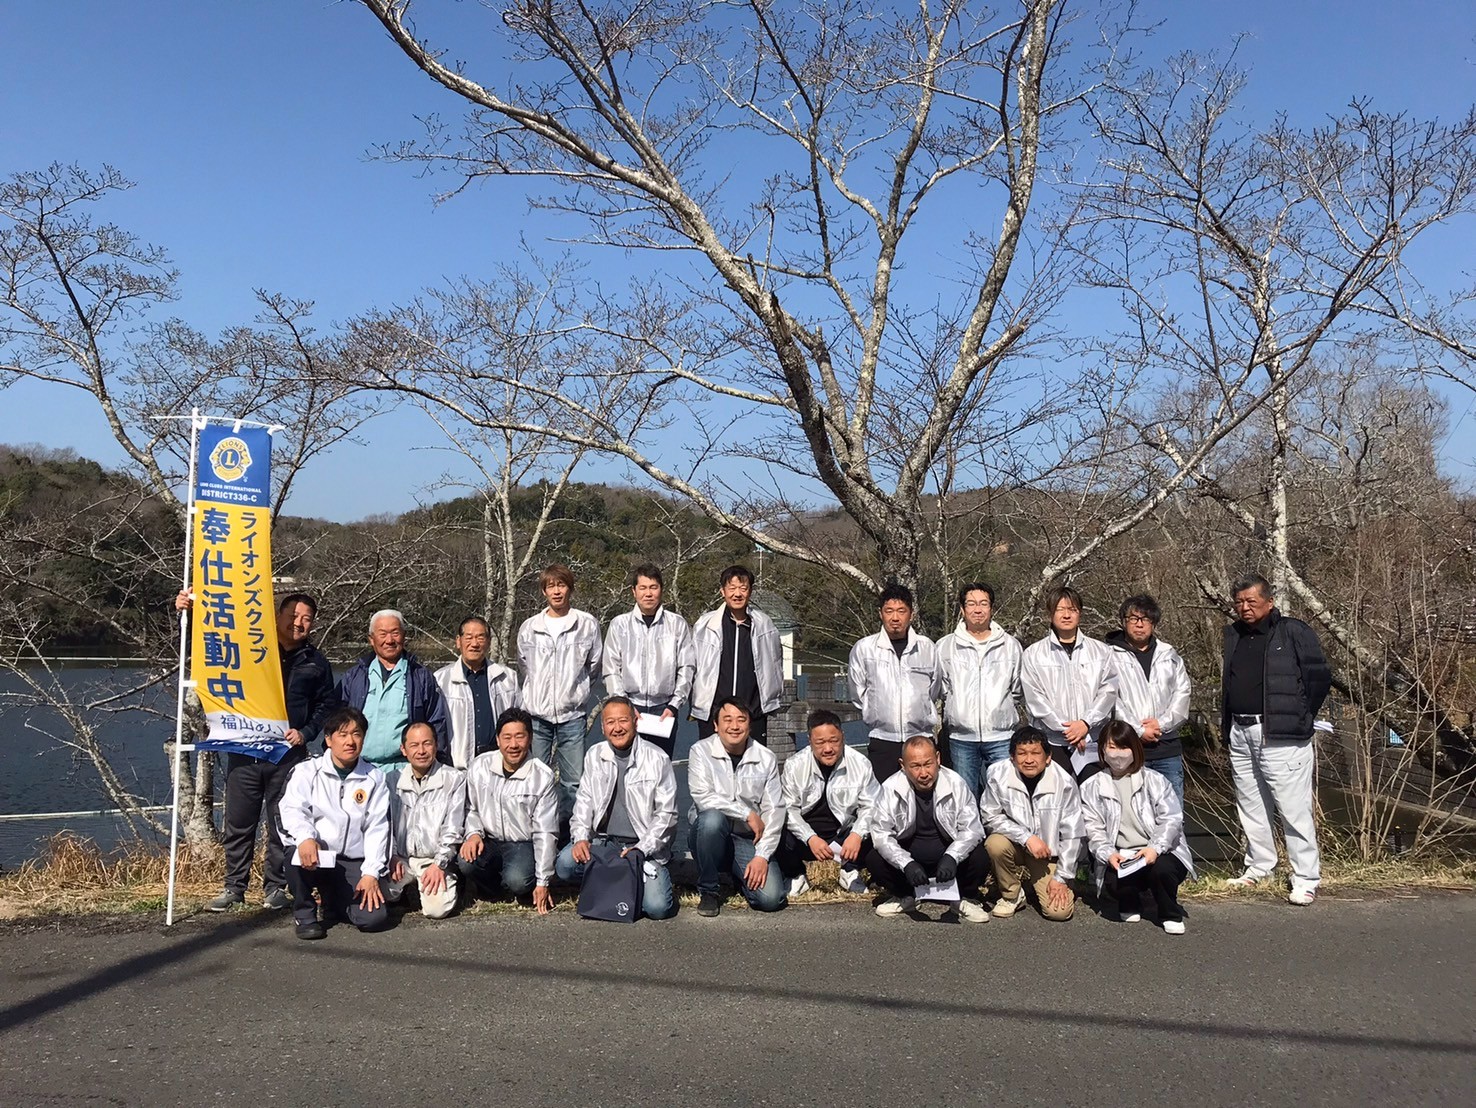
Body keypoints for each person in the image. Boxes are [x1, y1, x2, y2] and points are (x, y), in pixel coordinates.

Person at [176, 588, 338, 912]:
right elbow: (212, 648)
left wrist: (306, 733)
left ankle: (275, 887)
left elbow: (326, 705)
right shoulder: (250, 649)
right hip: (246, 749)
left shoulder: (316, 662)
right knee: (239, 822)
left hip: (288, 754)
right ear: (278, 616)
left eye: (307, 619)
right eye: (293, 615)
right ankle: (233, 887)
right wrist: (190, 613)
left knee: (282, 823)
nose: (298, 623)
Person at [1222, 572, 1331, 905]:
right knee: (1251, 805)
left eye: (1251, 601)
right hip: (1240, 732)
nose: (1245, 607)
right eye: (1239, 602)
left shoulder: (1292, 631)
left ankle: (1306, 877)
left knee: (1293, 809)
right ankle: (1259, 867)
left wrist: (1301, 715)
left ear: (1269, 602)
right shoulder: (1233, 634)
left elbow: (1318, 678)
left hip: (1282, 735)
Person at [556, 697, 680, 920]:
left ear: (635, 722)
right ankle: (619, 879)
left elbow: (667, 815)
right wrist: (581, 837)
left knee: (658, 908)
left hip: (642, 848)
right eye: (610, 722)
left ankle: (621, 880)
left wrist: (642, 849)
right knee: (564, 866)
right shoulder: (595, 754)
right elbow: (584, 801)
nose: (617, 728)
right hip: (605, 843)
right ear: (603, 727)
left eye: (623, 720)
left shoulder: (657, 758)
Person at [277, 706, 392, 939]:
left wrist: (371, 873)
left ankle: (333, 901)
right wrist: (305, 838)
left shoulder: (374, 778)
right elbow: (290, 811)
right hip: (317, 855)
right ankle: (305, 914)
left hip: (351, 860)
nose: (350, 741)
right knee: (294, 854)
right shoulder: (307, 771)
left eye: (357, 734)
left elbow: (379, 828)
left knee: (373, 919)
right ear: (329, 740)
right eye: (343, 734)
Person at [1080, 721, 1194, 934]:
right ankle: (1130, 902)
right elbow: (1093, 829)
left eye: (1124, 747)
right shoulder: (1091, 786)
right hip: (1122, 853)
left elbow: (1171, 819)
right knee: (1114, 879)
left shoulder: (1155, 780)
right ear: (1102, 750)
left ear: (1135, 748)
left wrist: (1154, 849)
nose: (1118, 754)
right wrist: (1108, 854)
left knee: (1162, 870)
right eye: (1112, 747)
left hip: (1159, 850)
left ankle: (1169, 913)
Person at [866, 735, 990, 921]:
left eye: (928, 764)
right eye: (915, 766)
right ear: (902, 765)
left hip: (947, 856)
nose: (923, 773)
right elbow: (881, 835)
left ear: (938, 759)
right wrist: (906, 863)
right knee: (874, 857)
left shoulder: (956, 783)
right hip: (911, 858)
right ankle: (905, 896)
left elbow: (972, 830)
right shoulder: (890, 788)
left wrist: (952, 856)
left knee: (981, 855)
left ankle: (964, 898)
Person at [517, 563, 603, 826]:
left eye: (561, 585)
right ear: (544, 591)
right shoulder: (530, 627)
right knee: (534, 779)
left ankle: (569, 836)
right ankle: (536, 832)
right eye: (551, 586)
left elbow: (594, 666)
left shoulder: (586, 624)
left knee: (573, 782)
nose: (556, 591)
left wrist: (576, 693)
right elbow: (524, 667)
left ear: (570, 589)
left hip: (572, 716)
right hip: (537, 716)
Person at [687, 697, 788, 916]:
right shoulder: (700, 751)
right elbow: (702, 797)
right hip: (709, 834)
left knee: (771, 898)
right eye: (727, 719)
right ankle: (709, 890)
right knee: (712, 819)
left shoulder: (766, 757)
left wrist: (762, 856)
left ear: (749, 725)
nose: (734, 726)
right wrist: (746, 813)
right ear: (716, 725)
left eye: (741, 720)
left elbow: (775, 810)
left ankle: (736, 876)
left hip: (746, 838)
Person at [459, 707, 559, 913]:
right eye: (507, 737)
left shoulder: (542, 776)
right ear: (498, 740)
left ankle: (518, 886)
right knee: (466, 861)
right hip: (489, 840)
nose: (513, 745)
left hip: (522, 843)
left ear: (530, 739)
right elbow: (470, 807)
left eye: (520, 737)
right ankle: (492, 890)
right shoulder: (479, 766)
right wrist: (473, 834)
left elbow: (546, 832)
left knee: (518, 880)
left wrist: (543, 881)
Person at [980, 725, 1084, 922]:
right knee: (994, 843)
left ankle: (1059, 883)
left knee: (1058, 912)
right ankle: (1012, 895)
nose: (1029, 760)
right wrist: (1027, 837)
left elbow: (1073, 834)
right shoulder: (997, 774)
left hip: (1047, 854)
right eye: (1022, 753)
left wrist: (1061, 878)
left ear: (1048, 757)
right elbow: (990, 816)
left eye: (1036, 753)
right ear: (1012, 756)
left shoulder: (1064, 782)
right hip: (1015, 845)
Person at [775, 709, 881, 897]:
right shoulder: (794, 765)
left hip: (843, 835)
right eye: (820, 742)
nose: (828, 748)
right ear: (810, 740)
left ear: (843, 736)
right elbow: (788, 809)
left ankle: (850, 869)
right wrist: (810, 837)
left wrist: (857, 834)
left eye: (833, 740)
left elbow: (872, 805)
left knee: (879, 825)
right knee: (777, 826)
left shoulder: (861, 763)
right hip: (807, 838)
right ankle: (796, 874)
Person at [936, 581, 1024, 799]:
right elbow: (943, 688)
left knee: (1006, 795)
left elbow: (1017, 689)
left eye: (983, 604)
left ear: (991, 608)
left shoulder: (1010, 645)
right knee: (965, 797)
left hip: (1001, 736)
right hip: (962, 738)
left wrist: (1001, 711)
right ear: (962, 609)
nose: (978, 609)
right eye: (972, 604)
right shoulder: (945, 646)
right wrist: (958, 710)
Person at [1020, 585, 1117, 781]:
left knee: (1094, 794)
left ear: (1079, 613)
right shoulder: (1033, 654)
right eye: (1060, 609)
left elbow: (1108, 690)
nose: (1066, 615)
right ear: (1050, 614)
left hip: (1092, 740)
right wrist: (1068, 731)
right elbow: (1035, 698)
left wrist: (1085, 724)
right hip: (1052, 741)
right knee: (1055, 794)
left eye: (1072, 609)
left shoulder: (1101, 651)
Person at [848, 583, 941, 782]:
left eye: (901, 611)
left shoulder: (927, 648)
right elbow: (857, 693)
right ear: (880, 613)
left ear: (911, 614)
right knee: (883, 794)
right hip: (882, 738)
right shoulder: (864, 648)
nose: (895, 617)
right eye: (889, 611)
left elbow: (934, 689)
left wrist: (920, 709)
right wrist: (874, 712)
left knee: (923, 791)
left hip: (920, 737)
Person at [601, 564, 696, 758]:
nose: (648, 593)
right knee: (626, 766)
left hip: (664, 710)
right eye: (643, 588)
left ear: (661, 589)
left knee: (661, 765)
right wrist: (624, 704)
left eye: (653, 587)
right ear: (633, 591)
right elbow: (611, 669)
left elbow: (687, 668)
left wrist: (674, 705)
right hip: (629, 707)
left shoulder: (676, 624)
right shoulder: (619, 624)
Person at [335, 609, 449, 769]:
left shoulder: (421, 677)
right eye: (382, 634)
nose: (389, 640)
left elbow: (436, 723)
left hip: (405, 768)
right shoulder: (354, 677)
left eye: (395, 633)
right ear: (371, 639)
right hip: (359, 768)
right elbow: (334, 722)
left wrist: (438, 766)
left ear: (404, 636)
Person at [1105, 594, 1192, 803]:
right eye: (1133, 618)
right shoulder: (1109, 655)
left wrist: (1161, 724)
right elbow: (1110, 698)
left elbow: (1182, 693)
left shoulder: (1169, 654)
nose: (1139, 624)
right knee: (1131, 810)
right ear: (1124, 621)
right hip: (1127, 748)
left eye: (1145, 619)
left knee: (1171, 810)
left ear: (1153, 623)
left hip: (1167, 747)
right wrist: (1139, 730)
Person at [689, 565, 784, 746]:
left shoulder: (764, 624)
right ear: (722, 591)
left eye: (743, 588)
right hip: (713, 711)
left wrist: (771, 700)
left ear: (750, 591)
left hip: (752, 712)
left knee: (754, 761)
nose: (737, 594)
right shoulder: (706, 624)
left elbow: (775, 664)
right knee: (712, 760)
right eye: (732, 588)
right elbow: (693, 665)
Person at [382, 722, 467, 921]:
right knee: (381, 893)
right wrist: (392, 855)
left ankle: (451, 882)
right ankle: (405, 891)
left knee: (436, 910)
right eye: (414, 745)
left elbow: (453, 828)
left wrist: (440, 864)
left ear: (436, 745)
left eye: (427, 744)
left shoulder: (454, 778)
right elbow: (385, 825)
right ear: (403, 749)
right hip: (400, 859)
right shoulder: (391, 780)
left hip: (433, 860)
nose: (421, 751)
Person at [434, 615, 522, 770]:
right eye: (469, 637)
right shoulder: (441, 680)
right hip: (456, 767)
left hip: (498, 764)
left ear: (488, 642)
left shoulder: (507, 677)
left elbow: (520, 722)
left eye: (480, 637)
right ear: (458, 641)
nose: (474, 644)